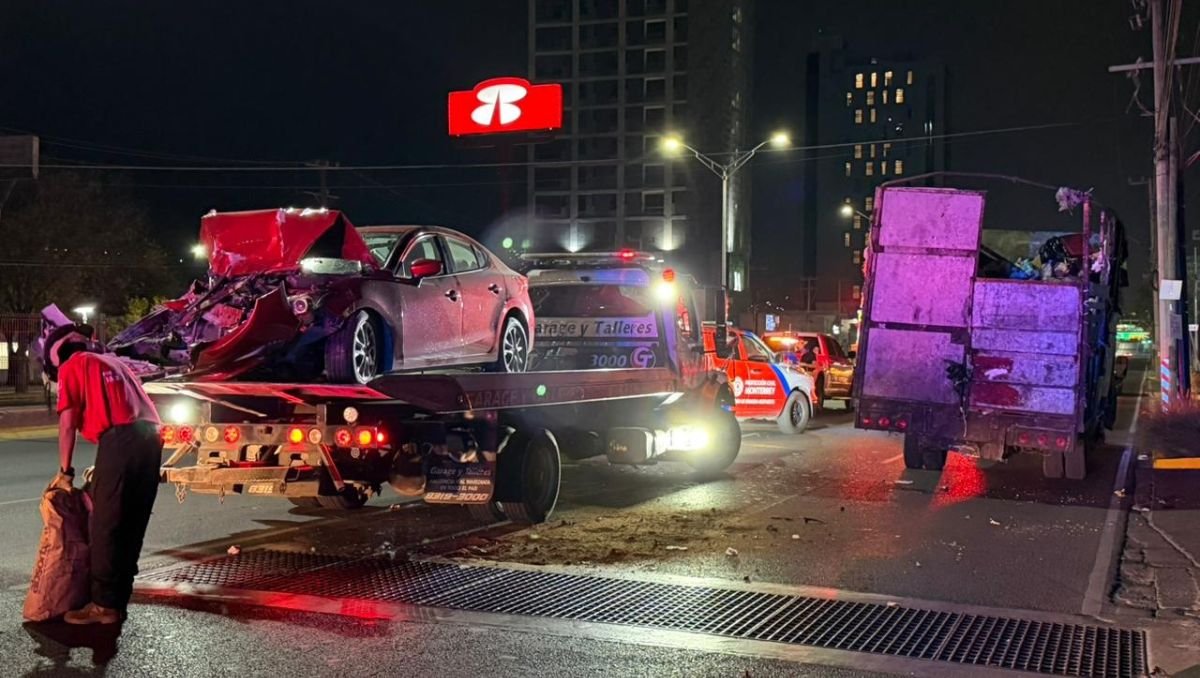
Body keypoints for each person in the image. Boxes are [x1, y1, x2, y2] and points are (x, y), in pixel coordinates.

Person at [43, 323, 162, 625]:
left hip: (119, 439)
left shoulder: (72, 366)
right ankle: (119, 598)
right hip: (151, 437)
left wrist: (65, 471)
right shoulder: (112, 361)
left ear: (57, 359)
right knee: (133, 519)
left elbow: (67, 423)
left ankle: (104, 605)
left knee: (106, 524)